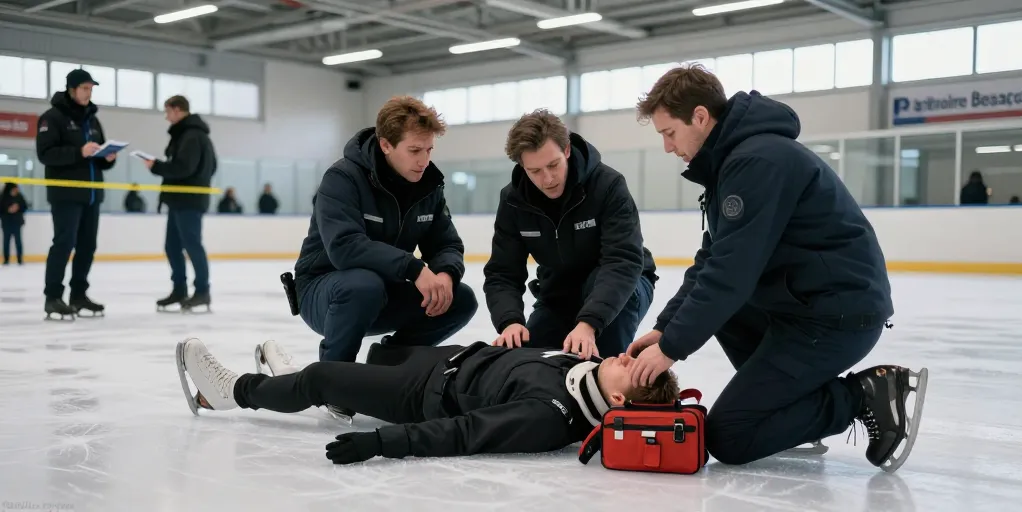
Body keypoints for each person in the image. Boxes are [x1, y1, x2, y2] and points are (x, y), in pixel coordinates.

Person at [625, 65, 928, 473]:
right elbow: (711, 263)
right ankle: (794, 413)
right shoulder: (732, 163)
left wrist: (672, 349)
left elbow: (731, 274)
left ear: (699, 117)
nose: (667, 147)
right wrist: (665, 328)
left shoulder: (756, 162)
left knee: (728, 436)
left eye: (669, 133)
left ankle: (864, 395)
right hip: (804, 304)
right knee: (722, 313)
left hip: (836, 316)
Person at [176, 337, 680, 464]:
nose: (622, 353)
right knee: (349, 370)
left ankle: (230, 393)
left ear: (616, 397)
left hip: (422, 394)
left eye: (626, 365)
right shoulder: (580, 368)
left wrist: (381, 442)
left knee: (323, 376)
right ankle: (291, 382)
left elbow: (464, 434)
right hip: (439, 359)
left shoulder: (550, 416)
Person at [291, 95, 478, 422]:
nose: (424, 160)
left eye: (429, 150)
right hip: (325, 291)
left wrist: (446, 274)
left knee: (460, 298)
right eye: (415, 151)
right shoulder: (343, 178)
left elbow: (447, 243)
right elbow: (345, 247)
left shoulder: (429, 186)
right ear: (386, 145)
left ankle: (386, 364)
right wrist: (413, 267)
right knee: (364, 284)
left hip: (383, 289)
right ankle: (335, 377)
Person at [483, 109, 657, 359]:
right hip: (559, 292)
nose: (548, 179)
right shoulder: (512, 201)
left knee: (597, 363)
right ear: (522, 166)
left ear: (566, 150)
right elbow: (502, 272)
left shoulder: (607, 185)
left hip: (623, 285)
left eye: (553, 165)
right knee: (527, 360)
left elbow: (622, 261)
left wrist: (589, 324)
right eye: (535, 171)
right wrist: (509, 321)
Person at [36, 69, 118, 319]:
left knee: (87, 246)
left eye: (91, 89)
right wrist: (78, 152)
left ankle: (78, 296)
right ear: (72, 89)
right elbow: (46, 154)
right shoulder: (52, 118)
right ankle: (53, 297)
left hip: (92, 196)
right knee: (64, 243)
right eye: (84, 88)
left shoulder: (93, 120)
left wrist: (107, 157)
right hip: (66, 195)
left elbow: (97, 157)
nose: (88, 93)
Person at [143, 95, 217, 313]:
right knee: (173, 246)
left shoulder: (192, 136)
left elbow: (184, 168)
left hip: (188, 201)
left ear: (177, 110)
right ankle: (179, 289)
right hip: (179, 200)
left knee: (192, 245)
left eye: (167, 112)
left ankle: (202, 291)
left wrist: (156, 166)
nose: (167, 117)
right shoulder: (187, 135)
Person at [1, 182, 27, 265]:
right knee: (6, 242)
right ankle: (6, 259)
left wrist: (18, 207)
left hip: (17, 222)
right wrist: (8, 209)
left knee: (18, 241)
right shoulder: (3, 197)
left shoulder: (19, 196)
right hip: (6, 222)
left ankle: (20, 259)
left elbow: (24, 206)